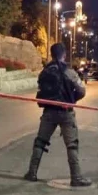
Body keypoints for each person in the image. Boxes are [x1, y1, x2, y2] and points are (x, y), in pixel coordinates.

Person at [24, 43, 91, 186]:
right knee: (72, 145)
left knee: (40, 142)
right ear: (64, 55)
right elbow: (82, 91)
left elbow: (41, 90)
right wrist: (71, 100)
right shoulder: (70, 72)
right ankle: (76, 177)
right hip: (66, 112)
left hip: (48, 112)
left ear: (51, 54)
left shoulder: (45, 72)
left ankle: (32, 172)